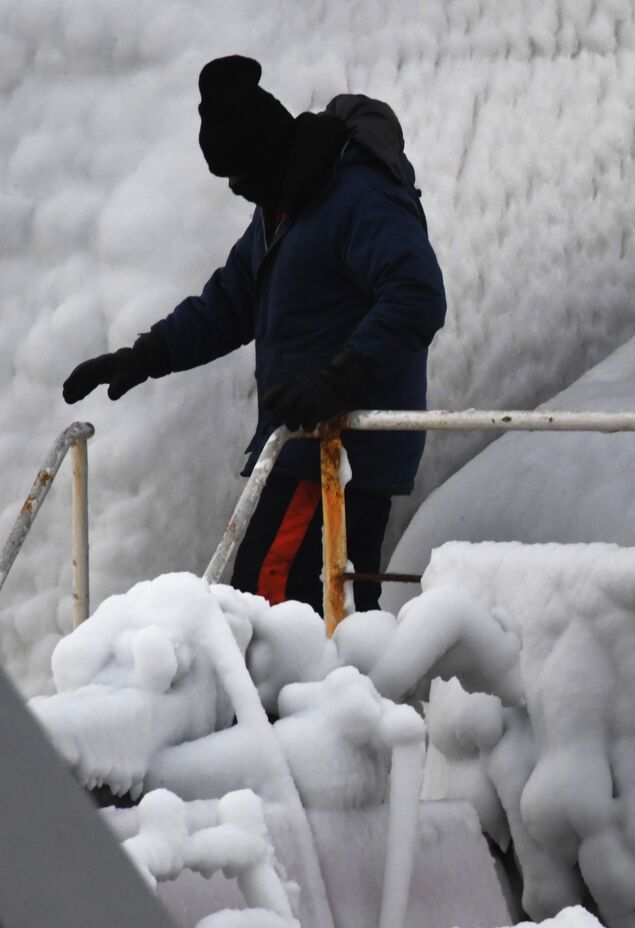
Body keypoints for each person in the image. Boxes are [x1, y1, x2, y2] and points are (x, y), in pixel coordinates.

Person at [62, 55, 447, 613]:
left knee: (267, 609)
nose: (236, 188)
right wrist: (144, 356)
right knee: (329, 616)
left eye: (238, 173)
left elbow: (417, 295)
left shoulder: (356, 195)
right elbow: (229, 303)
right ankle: (337, 698)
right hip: (308, 446)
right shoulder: (284, 207)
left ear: (268, 151)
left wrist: (335, 383)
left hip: (334, 449)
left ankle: (279, 705)